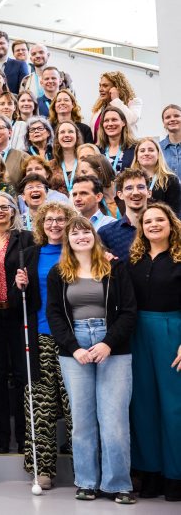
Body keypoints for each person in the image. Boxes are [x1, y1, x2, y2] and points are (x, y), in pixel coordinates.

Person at [46, 216, 137, 504]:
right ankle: (86, 482)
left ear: (94, 236)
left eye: (86, 231)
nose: (81, 237)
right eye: (74, 233)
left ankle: (118, 484)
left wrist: (108, 343)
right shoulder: (58, 273)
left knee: (114, 420)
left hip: (112, 346)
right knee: (82, 420)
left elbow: (129, 312)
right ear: (68, 240)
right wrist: (74, 348)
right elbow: (54, 315)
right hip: (76, 349)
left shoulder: (115, 268)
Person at [16, 201, 77, 490]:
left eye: (61, 219)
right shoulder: (30, 254)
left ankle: (85, 469)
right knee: (40, 406)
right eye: (49, 219)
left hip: (74, 339)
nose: (55, 224)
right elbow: (20, 300)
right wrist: (20, 286)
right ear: (41, 224)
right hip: (39, 336)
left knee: (76, 405)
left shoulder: (79, 251)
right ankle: (42, 468)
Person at [126, 203, 181, 502]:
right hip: (138, 334)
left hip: (173, 332)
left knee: (174, 407)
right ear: (141, 227)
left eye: (160, 220)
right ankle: (150, 474)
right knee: (143, 405)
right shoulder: (133, 260)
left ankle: (176, 475)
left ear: (171, 224)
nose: (154, 225)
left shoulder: (180, 257)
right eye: (148, 221)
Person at [0, 192, 33, 454]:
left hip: (17, 313)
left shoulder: (26, 239)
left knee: (22, 376)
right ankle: (2, 437)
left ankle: (23, 437)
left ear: (13, 211)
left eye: (5, 207)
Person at [99, 168, 151, 260]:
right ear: (120, 195)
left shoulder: (162, 229)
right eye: (129, 188)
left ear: (149, 193)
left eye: (140, 187)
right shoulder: (105, 233)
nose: (135, 192)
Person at [132, 137, 181, 215]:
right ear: (137, 156)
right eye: (142, 151)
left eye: (151, 150)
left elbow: (175, 214)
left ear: (158, 155)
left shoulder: (171, 180)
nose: (146, 153)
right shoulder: (129, 180)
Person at [159, 104, 181, 177]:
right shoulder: (158, 148)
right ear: (163, 122)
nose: (172, 119)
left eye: (176, 116)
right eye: (168, 117)